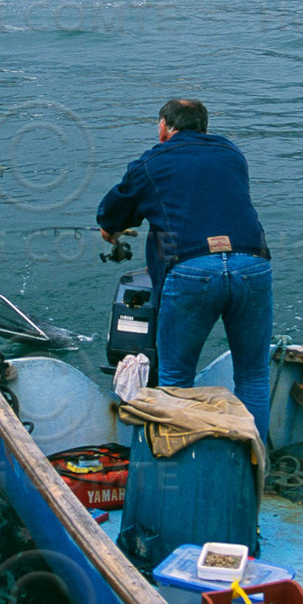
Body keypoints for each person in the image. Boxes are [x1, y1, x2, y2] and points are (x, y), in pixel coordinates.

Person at [96, 99, 273, 438]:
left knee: (176, 379)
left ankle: (175, 465)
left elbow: (112, 214)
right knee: (253, 376)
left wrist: (111, 230)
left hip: (191, 269)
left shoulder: (151, 162)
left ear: (164, 127)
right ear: (204, 126)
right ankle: (256, 461)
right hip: (251, 264)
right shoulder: (232, 154)